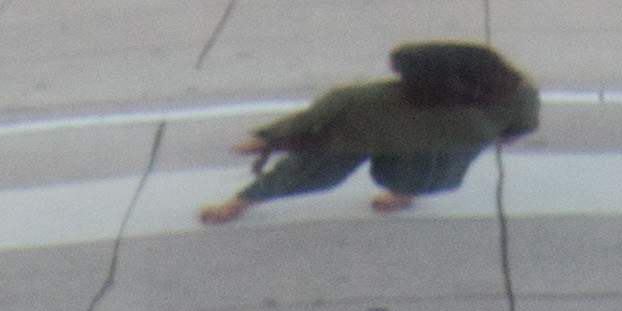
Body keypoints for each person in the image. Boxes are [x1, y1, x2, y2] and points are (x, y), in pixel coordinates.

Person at [197, 38, 544, 222]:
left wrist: (264, 138)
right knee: (420, 177)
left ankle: (237, 205)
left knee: (302, 174)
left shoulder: (366, 97)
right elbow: (518, 129)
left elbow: (310, 118)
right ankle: (404, 195)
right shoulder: (516, 90)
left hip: (350, 140)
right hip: (440, 147)